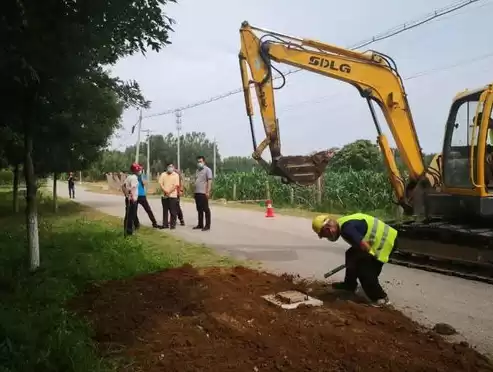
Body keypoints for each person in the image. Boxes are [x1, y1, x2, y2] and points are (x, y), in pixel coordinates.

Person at [311, 212, 397, 307]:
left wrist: (361, 259)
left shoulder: (346, 229)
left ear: (328, 229)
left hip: (384, 242)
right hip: (378, 240)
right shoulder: (341, 223)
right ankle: (349, 285)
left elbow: (365, 247)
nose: (326, 238)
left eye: (324, 235)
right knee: (351, 254)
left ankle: (381, 299)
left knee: (364, 271)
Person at [193, 155, 213, 231]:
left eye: (200, 161)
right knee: (199, 209)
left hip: (203, 193)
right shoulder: (197, 170)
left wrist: (208, 191)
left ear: (204, 162)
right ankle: (200, 224)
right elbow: (196, 181)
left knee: (205, 209)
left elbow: (209, 181)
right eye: (198, 162)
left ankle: (207, 225)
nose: (199, 163)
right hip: (197, 192)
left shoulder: (208, 170)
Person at [158, 163, 180, 229]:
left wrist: (169, 192)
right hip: (164, 195)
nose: (170, 168)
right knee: (165, 210)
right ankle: (165, 224)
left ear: (173, 167)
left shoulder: (176, 175)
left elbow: (176, 185)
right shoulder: (163, 174)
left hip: (173, 196)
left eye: (172, 166)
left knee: (173, 211)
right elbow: (161, 184)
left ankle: (172, 225)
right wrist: (165, 191)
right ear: (167, 167)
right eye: (169, 166)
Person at [122, 163, 141, 236]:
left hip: (128, 198)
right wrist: (132, 198)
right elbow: (132, 188)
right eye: (139, 170)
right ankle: (129, 232)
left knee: (128, 215)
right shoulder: (134, 178)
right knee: (131, 216)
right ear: (136, 171)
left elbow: (123, 186)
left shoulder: (129, 177)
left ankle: (127, 230)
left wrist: (126, 195)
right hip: (132, 199)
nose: (140, 171)